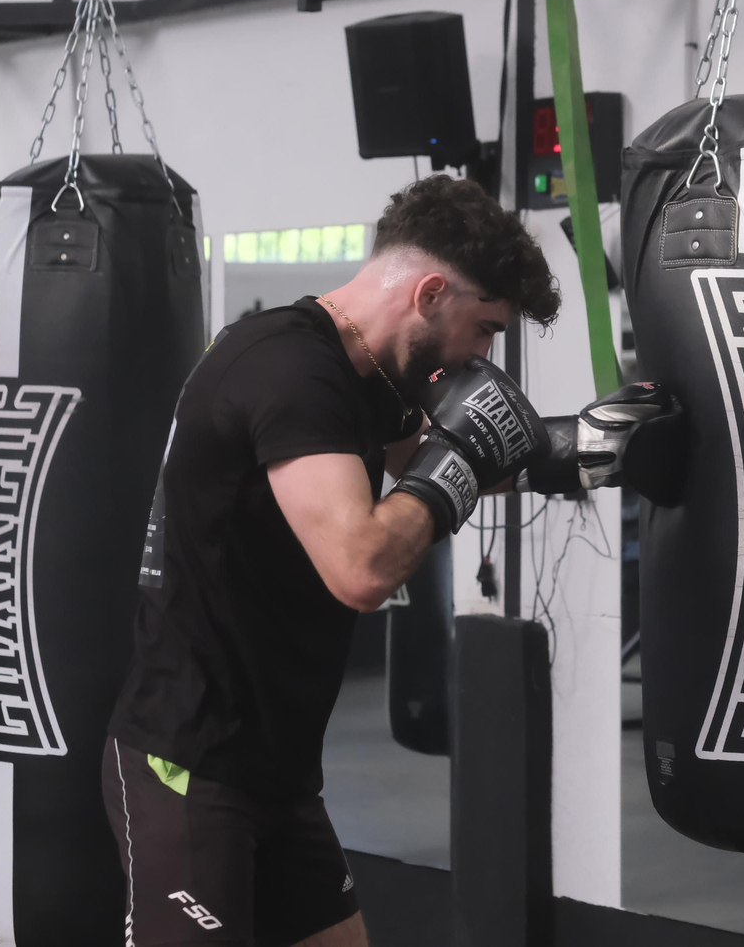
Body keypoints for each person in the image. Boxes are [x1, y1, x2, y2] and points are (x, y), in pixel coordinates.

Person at [101, 174, 569, 947]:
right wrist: (459, 459)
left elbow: (437, 464)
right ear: (429, 294)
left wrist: (578, 450)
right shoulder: (289, 370)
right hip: (189, 764)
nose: (482, 356)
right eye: (484, 329)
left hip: (280, 771)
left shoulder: (375, 376)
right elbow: (365, 568)